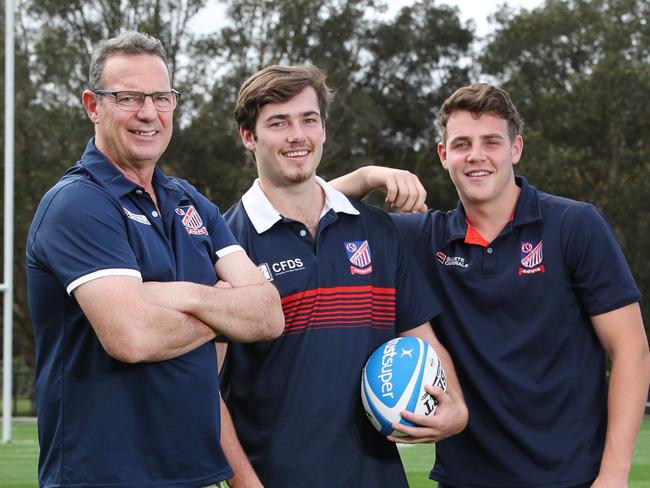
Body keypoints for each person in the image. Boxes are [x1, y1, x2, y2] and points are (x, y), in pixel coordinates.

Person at [333, 83, 650, 487]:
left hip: (572, 478)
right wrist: (366, 176)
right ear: (443, 155)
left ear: (515, 149)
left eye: (491, 142)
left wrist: (614, 475)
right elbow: (314, 206)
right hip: (465, 479)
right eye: (462, 143)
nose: (476, 156)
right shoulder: (420, 238)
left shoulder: (575, 225)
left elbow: (631, 351)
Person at [26, 31, 284, 488]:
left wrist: (180, 295)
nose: (148, 113)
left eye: (161, 98)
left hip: (192, 474)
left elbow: (268, 315)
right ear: (92, 105)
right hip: (103, 477)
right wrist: (224, 310)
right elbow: (133, 338)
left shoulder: (189, 202)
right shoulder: (78, 203)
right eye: (128, 97)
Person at [217, 65, 468, 487]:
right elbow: (205, 389)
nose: (297, 135)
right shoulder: (227, 247)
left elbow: (421, 338)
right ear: (249, 136)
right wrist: (245, 482)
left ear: (324, 129)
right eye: (278, 123)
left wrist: (456, 406)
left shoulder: (377, 230)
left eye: (308, 120)